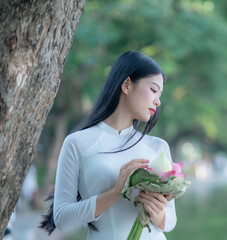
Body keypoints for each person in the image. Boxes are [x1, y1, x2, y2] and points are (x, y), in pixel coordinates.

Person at [50, 51, 176, 239]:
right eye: (153, 89)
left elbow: (171, 220)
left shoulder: (158, 147)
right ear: (126, 84)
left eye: (160, 94)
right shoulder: (78, 143)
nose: (158, 101)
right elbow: (61, 219)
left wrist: (157, 212)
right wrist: (117, 191)